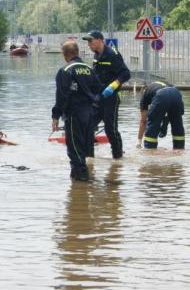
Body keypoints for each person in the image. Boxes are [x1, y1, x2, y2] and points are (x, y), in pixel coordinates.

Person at [52, 40, 103, 181]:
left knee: (75, 149)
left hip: (74, 113)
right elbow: (99, 91)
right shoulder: (89, 69)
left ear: (65, 54)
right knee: (85, 148)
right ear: (77, 52)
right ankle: (81, 183)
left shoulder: (66, 70)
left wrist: (55, 116)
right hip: (90, 114)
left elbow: (62, 95)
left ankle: (81, 187)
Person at [83, 31, 131, 159]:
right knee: (88, 127)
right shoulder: (96, 55)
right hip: (98, 98)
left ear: (100, 40)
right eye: (87, 41)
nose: (88, 44)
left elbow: (126, 74)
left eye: (90, 41)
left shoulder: (112, 54)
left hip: (111, 98)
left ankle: (118, 157)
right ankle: (89, 158)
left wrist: (113, 85)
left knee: (110, 129)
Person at [136, 81, 185, 150]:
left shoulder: (145, 94)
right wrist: (164, 125)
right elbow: (172, 108)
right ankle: (179, 149)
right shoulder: (158, 84)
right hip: (176, 93)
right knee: (177, 124)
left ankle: (150, 150)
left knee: (152, 126)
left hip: (161, 95)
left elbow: (143, 121)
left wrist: (139, 141)